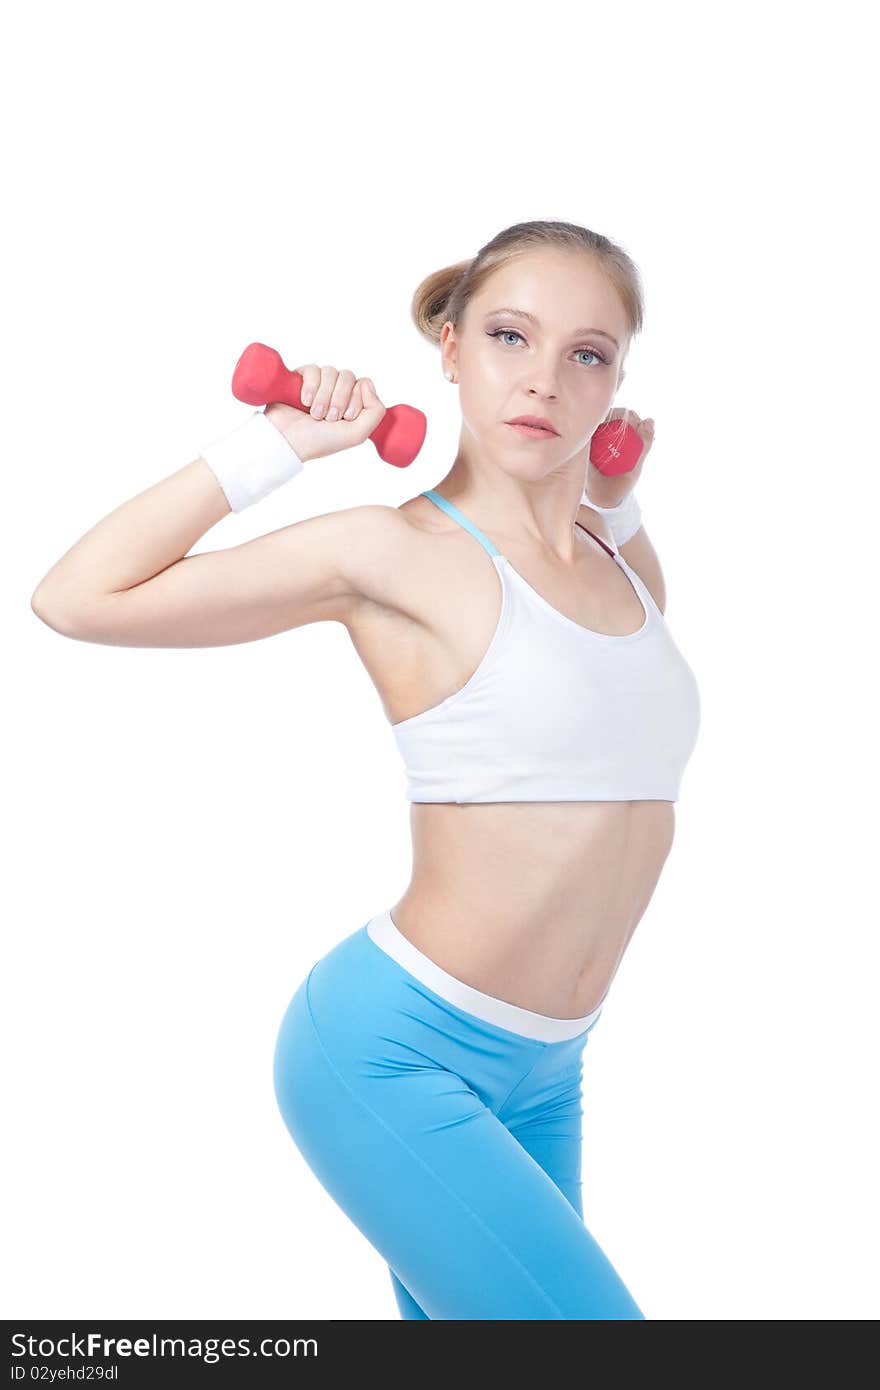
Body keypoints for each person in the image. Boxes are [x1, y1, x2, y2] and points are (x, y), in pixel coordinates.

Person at [31, 218, 701, 1320]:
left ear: (616, 379)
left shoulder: (612, 570)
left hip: (548, 1073)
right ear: (448, 347)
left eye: (586, 354)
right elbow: (75, 599)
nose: (542, 380)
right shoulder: (393, 552)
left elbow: (624, 665)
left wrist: (615, 500)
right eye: (507, 337)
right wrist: (275, 447)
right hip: (394, 1057)